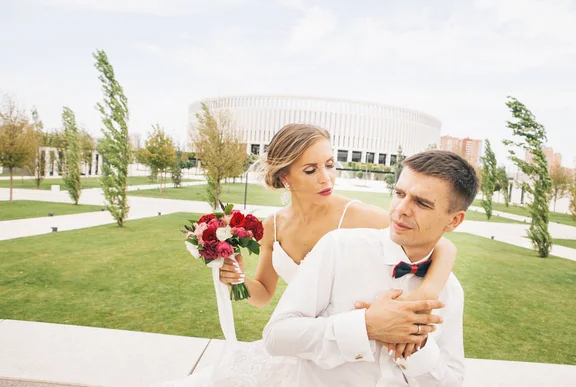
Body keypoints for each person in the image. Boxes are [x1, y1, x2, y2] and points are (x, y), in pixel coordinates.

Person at [153, 126, 458, 386]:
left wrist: (428, 291)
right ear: (285, 176)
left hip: (342, 358)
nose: (326, 178)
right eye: (311, 170)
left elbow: (442, 244)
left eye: (330, 165)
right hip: (300, 341)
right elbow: (263, 296)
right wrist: (238, 279)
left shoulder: (357, 216)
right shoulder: (272, 226)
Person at [263, 150, 479, 386]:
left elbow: (452, 381)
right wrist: (366, 326)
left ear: (454, 220)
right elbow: (276, 336)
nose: (401, 209)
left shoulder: (450, 290)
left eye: (421, 203)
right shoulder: (339, 247)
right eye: (399, 193)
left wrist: (417, 344)